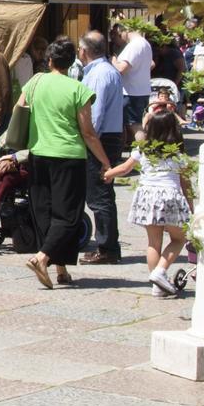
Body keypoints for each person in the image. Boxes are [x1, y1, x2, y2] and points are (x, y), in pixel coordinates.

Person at [14, 36, 114, 290]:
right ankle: (42, 258)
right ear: (71, 63)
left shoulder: (35, 82)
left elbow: (19, 109)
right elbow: (88, 133)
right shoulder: (78, 89)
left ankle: (61, 269)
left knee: (44, 211)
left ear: (49, 60)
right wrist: (105, 161)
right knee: (69, 215)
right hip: (69, 157)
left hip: (38, 154)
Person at [103, 106, 193, 298]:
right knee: (179, 238)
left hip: (147, 197)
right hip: (169, 196)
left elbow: (125, 168)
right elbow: (186, 184)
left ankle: (156, 286)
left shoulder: (142, 150)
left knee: (153, 242)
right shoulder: (178, 154)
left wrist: (109, 173)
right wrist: (192, 207)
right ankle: (160, 272)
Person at [77, 30, 128, 266]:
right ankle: (107, 245)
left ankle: (107, 247)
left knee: (100, 195)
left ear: (84, 51)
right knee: (102, 193)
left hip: (101, 139)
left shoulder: (99, 74)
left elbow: (94, 119)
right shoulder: (106, 71)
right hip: (108, 136)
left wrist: (88, 141)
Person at [111, 20, 154, 129]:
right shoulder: (145, 43)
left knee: (135, 126)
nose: (120, 37)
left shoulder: (134, 46)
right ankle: (136, 145)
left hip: (131, 93)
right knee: (137, 124)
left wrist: (113, 60)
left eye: (119, 34)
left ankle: (139, 146)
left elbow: (121, 69)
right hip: (140, 91)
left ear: (124, 31)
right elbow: (151, 64)